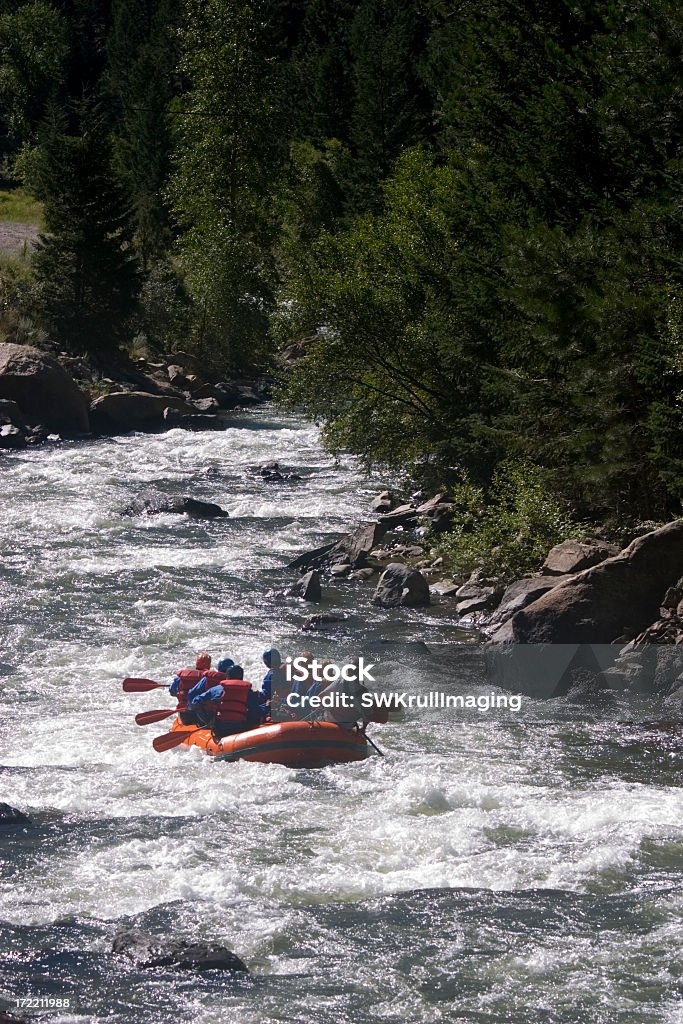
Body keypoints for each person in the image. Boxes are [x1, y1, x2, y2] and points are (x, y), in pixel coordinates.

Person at [190, 665, 263, 740]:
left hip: (220, 729)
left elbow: (195, 702)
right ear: (241, 677)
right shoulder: (247, 691)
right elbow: (256, 712)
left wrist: (206, 720)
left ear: (227, 677)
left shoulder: (217, 689)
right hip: (241, 728)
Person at [168, 652, 212, 726]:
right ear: (209, 665)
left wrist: (182, 693)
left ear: (196, 663)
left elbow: (172, 692)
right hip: (203, 717)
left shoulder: (181, 677)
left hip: (185, 716)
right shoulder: (210, 678)